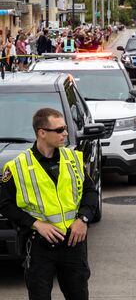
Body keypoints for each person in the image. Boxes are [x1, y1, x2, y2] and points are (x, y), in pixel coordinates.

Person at [0, 108, 98, 300]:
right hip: (39, 246)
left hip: (73, 243)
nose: (65, 133)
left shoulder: (73, 159)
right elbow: (5, 204)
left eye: (65, 128)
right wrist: (36, 224)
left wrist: (83, 219)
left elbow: (90, 192)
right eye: (59, 129)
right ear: (42, 133)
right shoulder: (17, 167)